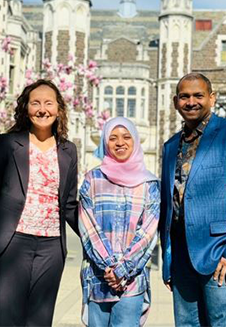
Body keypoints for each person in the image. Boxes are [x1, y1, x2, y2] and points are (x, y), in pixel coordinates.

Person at [0, 79, 79, 327]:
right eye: (35, 103)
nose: (42, 109)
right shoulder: (7, 144)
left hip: (52, 247)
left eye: (48, 103)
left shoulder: (68, 150)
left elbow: (69, 205)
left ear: (59, 109)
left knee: (40, 321)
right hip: (13, 242)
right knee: (7, 317)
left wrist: (100, 239)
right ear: (26, 108)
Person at [78, 117, 160, 327]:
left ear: (135, 142)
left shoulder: (149, 183)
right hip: (98, 278)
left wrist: (122, 270)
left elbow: (149, 232)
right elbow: (88, 227)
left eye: (126, 137)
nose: (119, 143)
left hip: (132, 282)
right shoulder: (92, 179)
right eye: (112, 138)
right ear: (105, 142)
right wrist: (110, 268)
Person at [159, 72, 226, 326]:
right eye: (184, 96)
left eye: (198, 95)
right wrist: (168, 259)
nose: (191, 102)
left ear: (211, 98)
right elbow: (167, 205)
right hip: (181, 256)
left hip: (218, 255)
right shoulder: (170, 146)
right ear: (176, 101)